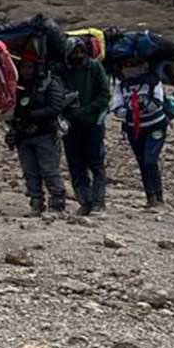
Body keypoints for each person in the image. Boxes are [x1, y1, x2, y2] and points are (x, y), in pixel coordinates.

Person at [8, 58, 73, 216]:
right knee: (29, 172)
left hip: (45, 133)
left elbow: (55, 107)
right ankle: (36, 203)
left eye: (30, 66)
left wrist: (30, 116)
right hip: (23, 135)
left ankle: (57, 204)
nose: (26, 70)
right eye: (23, 67)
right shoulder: (16, 86)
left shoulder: (49, 83)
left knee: (49, 170)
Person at [60, 37, 112, 215]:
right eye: (75, 52)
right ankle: (84, 201)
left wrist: (84, 111)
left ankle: (98, 201)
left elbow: (104, 96)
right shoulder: (63, 70)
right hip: (70, 125)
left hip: (92, 124)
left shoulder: (94, 67)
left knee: (96, 163)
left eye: (81, 51)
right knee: (76, 165)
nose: (78, 55)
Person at [111, 61, 173, 210]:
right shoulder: (122, 86)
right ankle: (150, 197)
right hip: (134, 130)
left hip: (155, 126)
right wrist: (134, 111)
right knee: (142, 162)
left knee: (150, 160)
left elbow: (157, 103)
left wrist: (134, 110)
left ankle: (158, 196)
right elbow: (116, 108)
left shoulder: (153, 82)